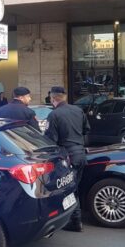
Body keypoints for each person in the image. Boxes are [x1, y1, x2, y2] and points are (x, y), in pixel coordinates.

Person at [45, 86, 91, 232]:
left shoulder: (54, 115)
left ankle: (76, 221)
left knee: (69, 189)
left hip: (67, 156)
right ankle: (74, 219)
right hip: (81, 154)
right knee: (75, 187)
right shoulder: (78, 110)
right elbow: (86, 130)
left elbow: (51, 140)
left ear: (53, 99)